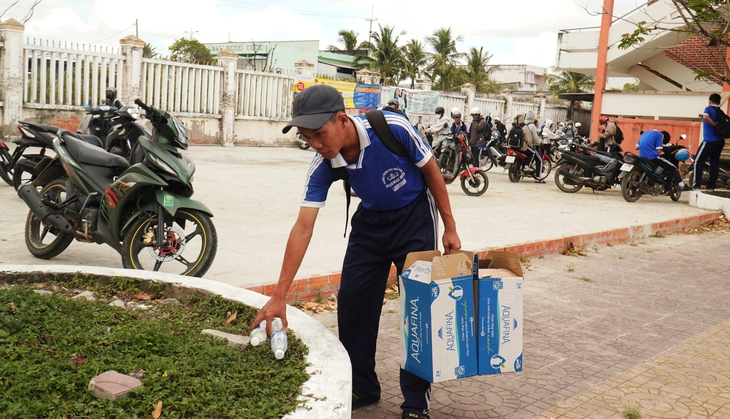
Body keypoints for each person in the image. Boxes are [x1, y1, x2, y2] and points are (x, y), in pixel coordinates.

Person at [252, 84, 461, 419]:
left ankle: (415, 403)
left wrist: (450, 228)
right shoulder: (322, 164)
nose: (316, 145)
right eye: (307, 138)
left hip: (414, 222)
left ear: (342, 120)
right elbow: (303, 227)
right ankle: (362, 385)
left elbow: (432, 172)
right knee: (353, 305)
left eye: (320, 134)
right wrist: (280, 294)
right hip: (369, 227)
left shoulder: (393, 128)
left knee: (419, 309)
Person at [693, 93, 727, 190]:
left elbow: (705, 117)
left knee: (698, 161)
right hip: (720, 141)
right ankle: (711, 185)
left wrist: (714, 124)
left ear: (710, 101)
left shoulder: (708, 109)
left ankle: (697, 184)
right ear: (719, 102)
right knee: (714, 163)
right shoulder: (720, 112)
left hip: (709, 141)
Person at [524, 110, 544, 183]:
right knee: (539, 160)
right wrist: (539, 142)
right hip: (529, 146)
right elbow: (535, 138)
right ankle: (538, 178)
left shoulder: (522, 124)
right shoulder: (532, 126)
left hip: (521, 146)